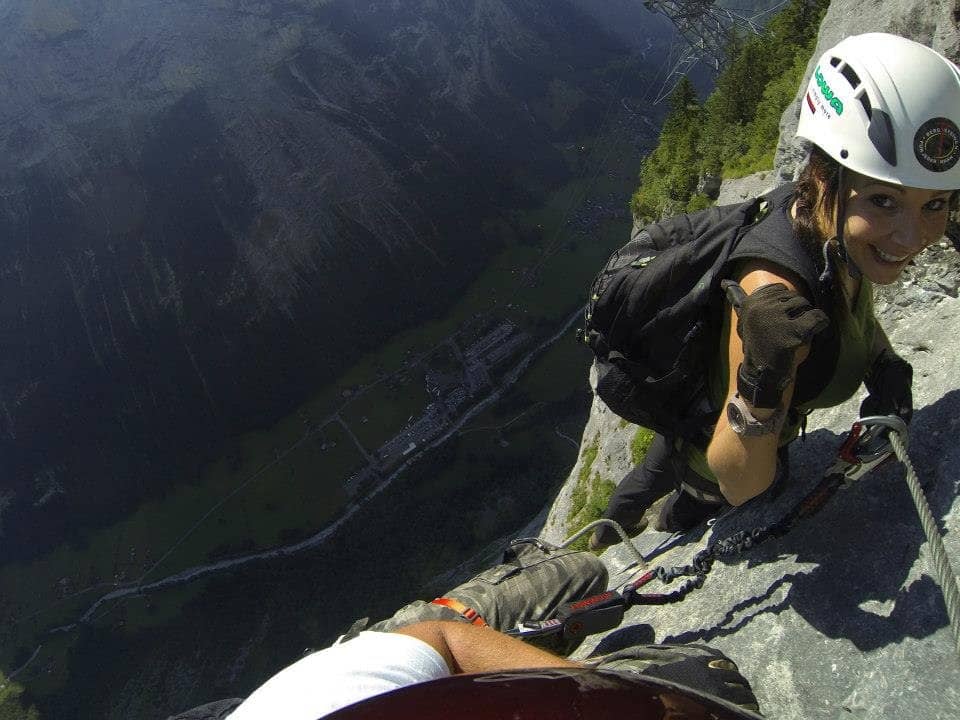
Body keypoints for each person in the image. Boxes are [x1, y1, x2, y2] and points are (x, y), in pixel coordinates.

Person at [590, 32, 960, 549]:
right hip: (712, 454)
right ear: (821, 175)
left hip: (695, 410)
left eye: (935, 205)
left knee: (650, 472)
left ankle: (612, 526)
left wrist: (883, 361)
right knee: (677, 507)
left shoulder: (832, 235)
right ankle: (622, 549)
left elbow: (855, 313)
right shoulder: (771, 292)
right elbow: (740, 483)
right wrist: (762, 387)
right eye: (883, 201)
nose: (911, 236)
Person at [165, 541, 760, 719]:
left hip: (416, 641)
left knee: (588, 578)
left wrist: (590, 688)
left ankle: (518, 564)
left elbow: (443, 638)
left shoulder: (353, 697)